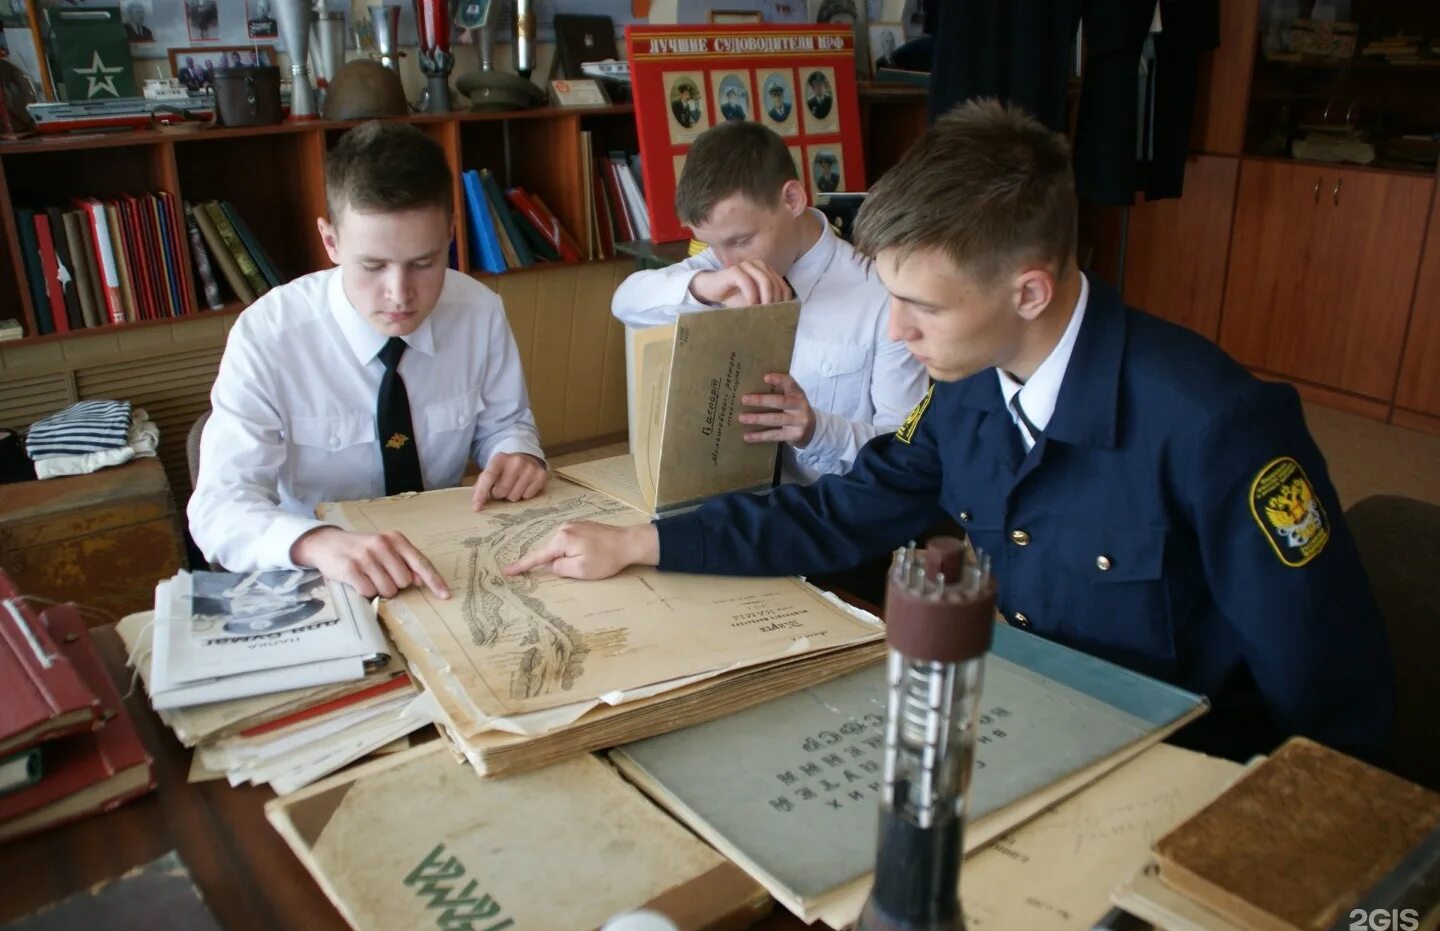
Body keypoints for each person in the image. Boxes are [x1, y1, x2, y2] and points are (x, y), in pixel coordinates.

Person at [507, 100, 1395, 764]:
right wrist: (642, 541)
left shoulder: (1216, 429)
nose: (895, 331)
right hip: (1010, 726)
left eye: (921, 305)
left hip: (1166, 768)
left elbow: (1330, 694)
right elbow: (839, 514)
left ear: (1029, 292)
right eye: (890, 295)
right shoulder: (971, 388)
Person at [190, 121, 547, 600]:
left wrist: (517, 452)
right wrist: (318, 543)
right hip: (320, 572)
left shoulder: (479, 312)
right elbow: (219, 507)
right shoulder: (268, 337)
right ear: (331, 242)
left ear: (450, 234)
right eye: (373, 266)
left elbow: (506, 422)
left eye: (424, 263)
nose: (400, 295)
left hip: (445, 562)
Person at [610, 120, 927, 486]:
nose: (729, 262)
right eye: (714, 245)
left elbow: (905, 452)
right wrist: (703, 286)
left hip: (828, 516)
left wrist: (816, 430)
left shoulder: (879, 297)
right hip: (720, 497)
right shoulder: (720, 270)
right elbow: (626, 302)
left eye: (741, 241)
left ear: (792, 199)